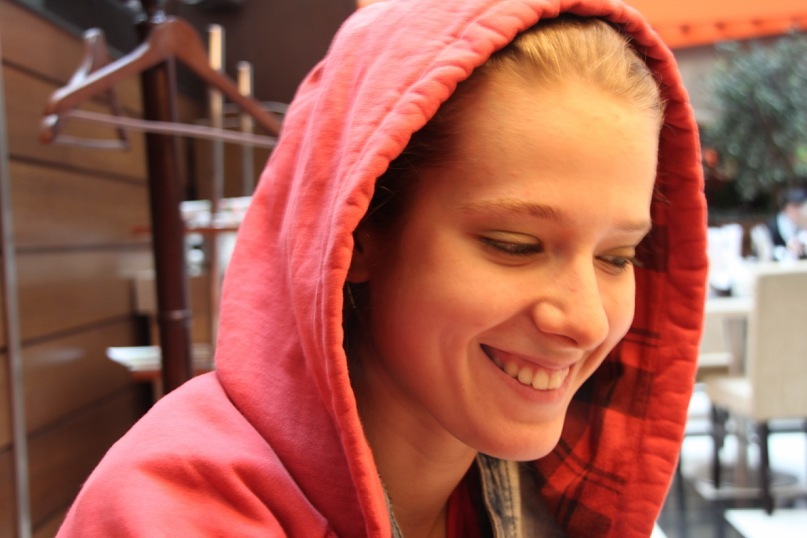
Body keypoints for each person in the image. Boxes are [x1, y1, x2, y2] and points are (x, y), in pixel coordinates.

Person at [57, 0, 707, 536]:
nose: (585, 321)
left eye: (617, 257)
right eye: (514, 244)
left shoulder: (558, 500)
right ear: (360, 233)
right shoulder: (170, 515)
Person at [765, 186, 807, 260]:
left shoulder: (804, 221)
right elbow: (768, 249)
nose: (797, 210)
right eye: (794, 206)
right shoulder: (774, 225)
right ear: (786, 207)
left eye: (800, 206)